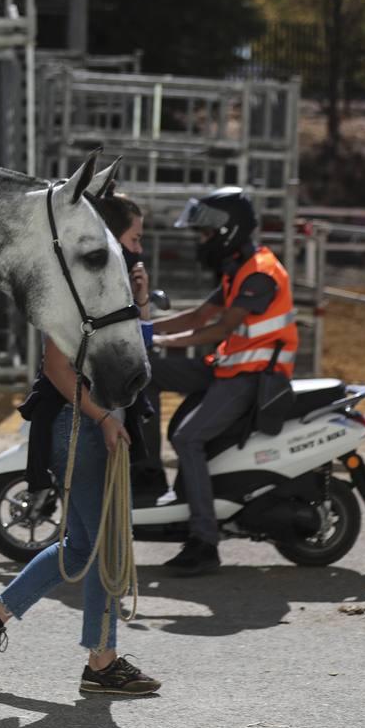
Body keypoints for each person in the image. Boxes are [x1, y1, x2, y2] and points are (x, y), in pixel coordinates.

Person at [0, 191, 161, 696]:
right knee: (105, 546)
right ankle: (101, 660)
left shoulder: (106, 292)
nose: (139, 249)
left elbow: (126, 357)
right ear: (113, 239)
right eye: (134, 238)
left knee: (84, 545)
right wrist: (102, 418)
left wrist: (138, 304)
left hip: (92, 423)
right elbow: (56, 367)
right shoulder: (74, 289)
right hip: (79, 425)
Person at [149, 187, 298, 577]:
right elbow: (199, 316)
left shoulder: (261, 273)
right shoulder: (238, 267)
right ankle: (144, 473)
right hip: (228, 368)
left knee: (187, 437)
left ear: (226, 230)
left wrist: (163, 341)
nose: (200, 240)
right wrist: (140, 329)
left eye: (204, 232)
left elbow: (219, 329)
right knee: (145, 369)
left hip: (254, 378)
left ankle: (204, 541)